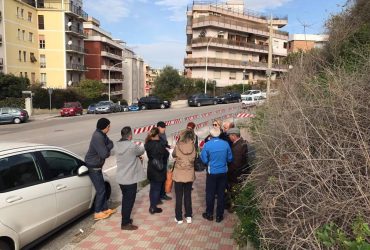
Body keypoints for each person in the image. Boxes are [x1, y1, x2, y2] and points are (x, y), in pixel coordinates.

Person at [85, 118, 116, 221]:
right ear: (105, 127)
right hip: (93, 167)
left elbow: (111, 143)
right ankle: (97, 212)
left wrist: (106, 147)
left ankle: (105, 209)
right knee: (101, 190)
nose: (109, 128)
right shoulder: (98, 136)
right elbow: (105, 154)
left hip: (97, 166)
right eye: (109, 126)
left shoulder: (102, 134)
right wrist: (107, 148)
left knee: (102, 187)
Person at [115, 126, 145, 230]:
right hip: (130, 179)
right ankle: (125, 223)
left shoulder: (117, 145)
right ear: (130, 135)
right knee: (129, 201)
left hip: (121, 178)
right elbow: (141, 150)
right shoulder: (132, 146)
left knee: (125, 200)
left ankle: (126, 218)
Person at [201, 127, 233, 223]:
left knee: (210, 193)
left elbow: (204, 159)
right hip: (223, 171)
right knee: (221, 193)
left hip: (212, 172)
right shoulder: (225, 144)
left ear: (210, 135)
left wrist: (209, 162)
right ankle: (219, 215)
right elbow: (230, 158)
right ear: (219, 134)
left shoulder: (207, 145)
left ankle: (209, 214)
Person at [172, 129, 196, 224]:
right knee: (187, 196)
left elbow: (173, 155)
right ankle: (189, 216)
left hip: (179, 174)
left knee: (178, 197)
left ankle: (179, 218)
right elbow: (194, 157)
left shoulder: (178, 146)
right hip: (189, 174)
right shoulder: (193, 146)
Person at [145, 127, 169, 214]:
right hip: (159, 168)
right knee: (156, 189)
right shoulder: (159, 145)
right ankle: (153, 207)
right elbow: (166, 154)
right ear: (158, 135)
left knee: (152, 188)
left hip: (151, 167)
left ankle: (152, 205)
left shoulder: (148, 143)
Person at [225, 127, 249, 212]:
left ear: (234, 136)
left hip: (236, 174)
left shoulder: (237, 147)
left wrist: (228, 171)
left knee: (234, 191)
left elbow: (236, 163)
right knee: (236, 191)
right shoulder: (241, 143)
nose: (229, 137)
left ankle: (235, 207)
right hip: (241, 172)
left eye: (230, 136)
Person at [157, 121, 172, 201]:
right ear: (158, 127)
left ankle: (163, 194)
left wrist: (168, 146)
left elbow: (165, 143)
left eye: (165, 127)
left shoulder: (163, 133)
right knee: (159, 179)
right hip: (159, 160)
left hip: (164, 158)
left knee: (164, 177)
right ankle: (158, 196)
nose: (164, 129)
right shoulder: (156, 135)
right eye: (163, 128)